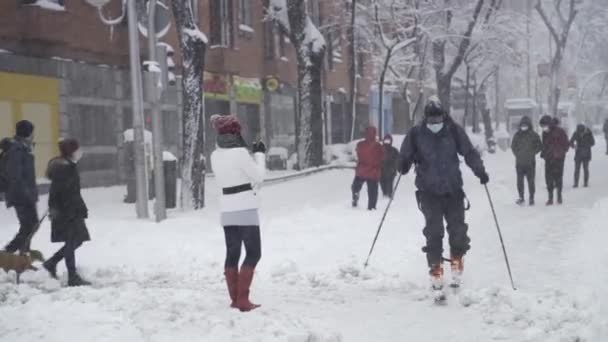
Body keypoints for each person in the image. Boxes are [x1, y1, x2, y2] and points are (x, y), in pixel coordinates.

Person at [399, 97, 489, 292]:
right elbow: (404, 156)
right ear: (426, 119)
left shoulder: (453, 131)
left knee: (458, 231)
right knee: (434, 232)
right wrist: (403, 164)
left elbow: (469, 153)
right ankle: (435, 270)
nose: (435, 124)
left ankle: (457, 264)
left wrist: (479, 170)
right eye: (431, 121)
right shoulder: (416, 134)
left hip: (453, 190)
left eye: (438, 120)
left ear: (443, 117)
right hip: (428, 191)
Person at [210, 114, 265, 312]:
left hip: (227, 210)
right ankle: (243, 299)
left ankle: (235, 298)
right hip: (246, 209)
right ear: (235, 132)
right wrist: (259, 154)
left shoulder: (215, 155)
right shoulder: (241, 153)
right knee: (253, 253)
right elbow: (259, 175)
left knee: (232, 254)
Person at [42, 139, 91, 286]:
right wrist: (72, 208)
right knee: (72, 241)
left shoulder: (67, 166)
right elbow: (63, 191)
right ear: (71, 151)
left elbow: (70, 191)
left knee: (77, 240)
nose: (80, 152)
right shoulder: (65, 168)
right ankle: (72, 276)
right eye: (77, 149)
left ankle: (52, 262)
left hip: (69, 209)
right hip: (67, 211)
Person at [3, 120, 39, 254]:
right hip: (20, 196)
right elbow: (15, 175)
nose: (34, 135)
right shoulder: (17, 150)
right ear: (27, 133)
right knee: (29, 226)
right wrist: (27, 194)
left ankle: (23, 254)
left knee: (31, 225)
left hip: (25, 194)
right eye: (32, 132)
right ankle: (8, 252)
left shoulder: (23, 148)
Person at [510, 116, 542, 206]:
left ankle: (531, 197)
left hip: (530, 163)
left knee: (531, 181)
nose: (524, 127)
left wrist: (533, 152)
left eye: (525, 125)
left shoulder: (534, 135)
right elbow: (513, 146)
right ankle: (521, 197)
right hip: (519, 163)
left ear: (529, 125)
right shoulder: (517, 135)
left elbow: (540, 146)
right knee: (519, 181)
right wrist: (518, 154)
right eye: (522, 125)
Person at [539, 115, 569, 205]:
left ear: (549, 124)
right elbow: (544, 144)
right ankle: (550, 198)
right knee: (548, 179)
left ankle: (559, 196)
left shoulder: (560, 131)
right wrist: (544, 153)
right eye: (542, 126)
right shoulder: (545, 133)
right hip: (548, 159)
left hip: (559, 159)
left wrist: (561, 153)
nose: (543, 128)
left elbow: (566, 144)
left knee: (558, 178)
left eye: (544, 126)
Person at [352, 126, 384, 210]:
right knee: (373, 191)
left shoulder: (360, 144)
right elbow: (383, 157)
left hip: (361, 170)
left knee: (356, 185)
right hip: (373, 171)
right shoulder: (378, 146)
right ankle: (372, 206)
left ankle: (355, 193)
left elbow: (358, 154)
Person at [570, 124, 595, 188]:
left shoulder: (588, 133)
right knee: (577, 169)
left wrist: (586, 145)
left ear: (584, 130)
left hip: (586, 154)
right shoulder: (576, 133)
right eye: (579, 132)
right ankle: (576, 183)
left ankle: (585, 183)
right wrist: (573, 146)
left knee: (585, 169)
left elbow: (593, 142)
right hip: (578, 153)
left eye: (581, 132)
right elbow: (571, 141)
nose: (580, 133)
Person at [380, 134, 399, 198]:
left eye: (388, 141)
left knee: (390, 183)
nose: (387, 143)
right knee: (382, 183)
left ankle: (389, 194)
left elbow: (398, 159)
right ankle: (384, 193)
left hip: (391, 170)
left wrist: (395, 166)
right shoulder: (380, 149)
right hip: (381, 169)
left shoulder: (394, 150)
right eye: (386, 141)